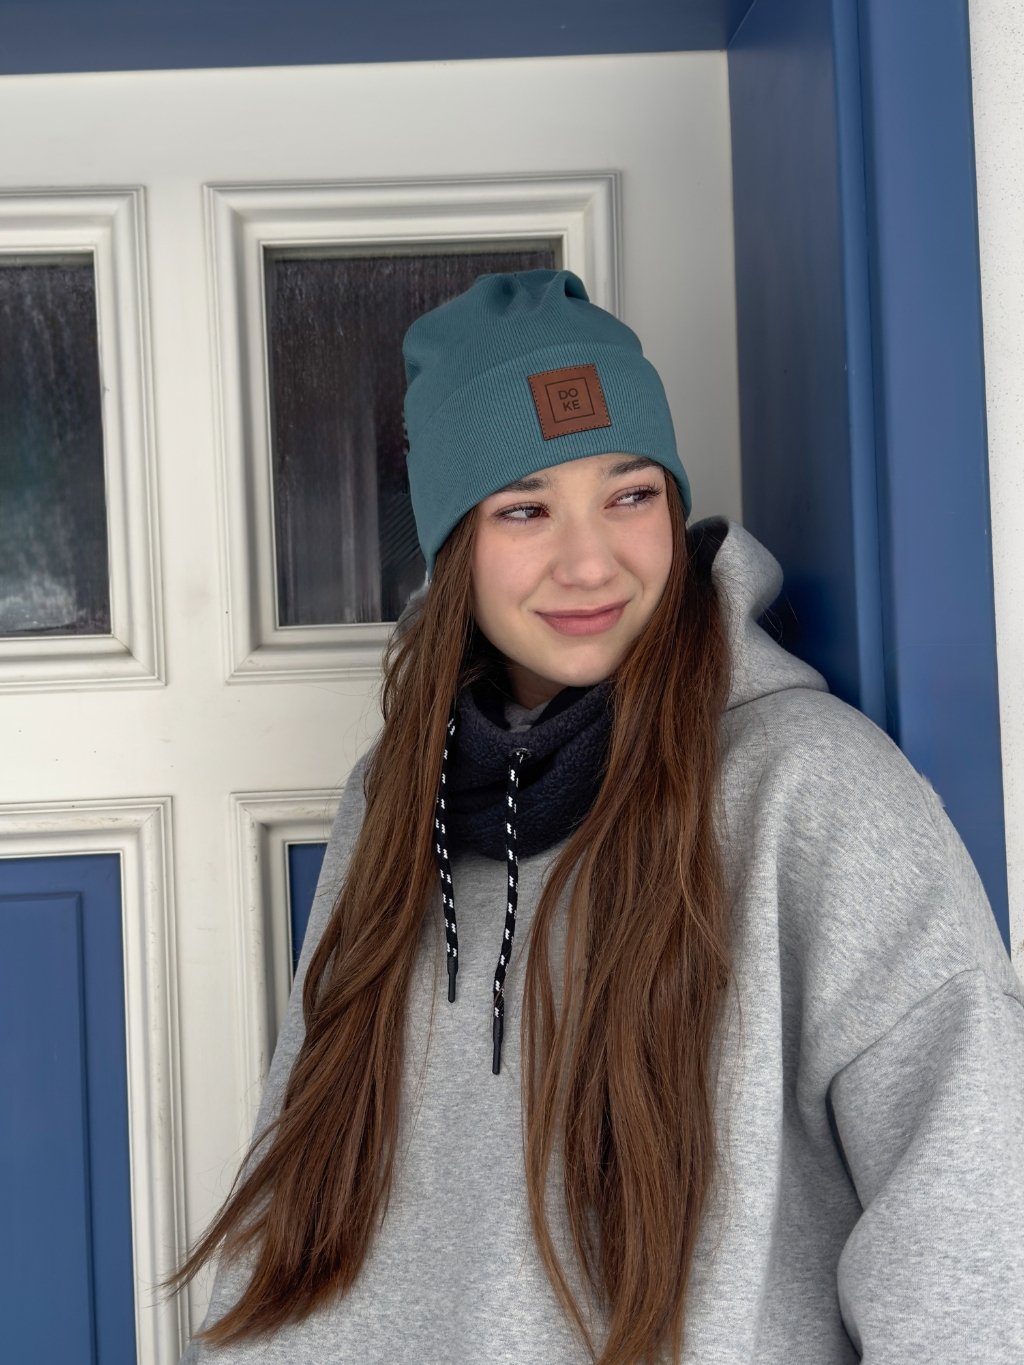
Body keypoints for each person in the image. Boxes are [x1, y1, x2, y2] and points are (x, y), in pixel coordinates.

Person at [172, 269, 1024, 1363]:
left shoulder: (810, 789)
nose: (591, 562)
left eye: (629, 495)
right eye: (525, 509)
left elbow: (971, 1223)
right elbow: (304, 1169)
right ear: (453, 547)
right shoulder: (396, 792)